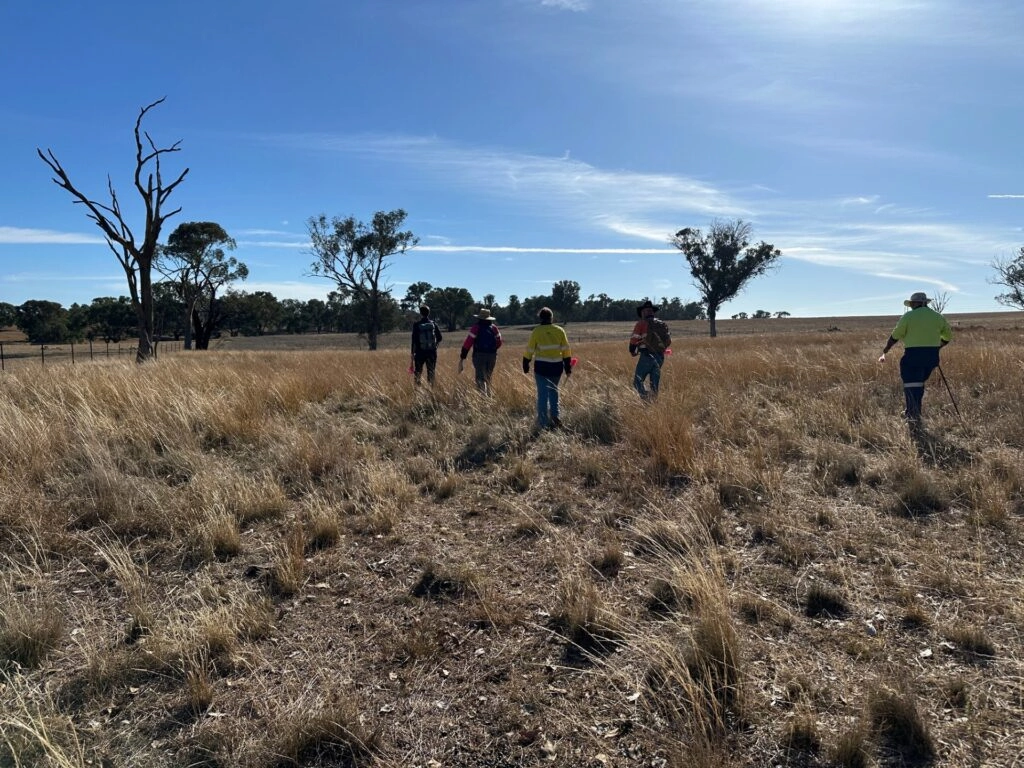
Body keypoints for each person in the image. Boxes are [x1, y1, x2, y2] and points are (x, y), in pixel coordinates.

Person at [878, 291, 952, 428]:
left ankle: (913, 415)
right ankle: (912, 411)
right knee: (919, 384)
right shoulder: (938, 317)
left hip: (913, 356)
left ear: (916, 303)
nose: (912, 306)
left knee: (911, 385)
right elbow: (948, 336)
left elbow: (895, 335)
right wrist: (937, 347)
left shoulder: (908, 316)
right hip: (931, 357)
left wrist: (886, 350)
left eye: (912, 303)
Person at [522, 307, 573, 429]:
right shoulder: (560, 330)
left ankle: (543, 422)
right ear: (551, 318)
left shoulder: (536, 331)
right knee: (554, 393)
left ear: (540, 318)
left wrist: (526, 363)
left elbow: (530, 349)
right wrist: (568, 367)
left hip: (541, 368)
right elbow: (566, 350)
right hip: (556, 368)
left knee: (542, 395)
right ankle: (555, 418)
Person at [629, 299, 671, 401]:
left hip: (646, 356)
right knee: (654, 384)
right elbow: (668, 341)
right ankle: (654, 402)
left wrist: (632, 350)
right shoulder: (662, 324)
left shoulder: (641, 324)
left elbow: (634, 340)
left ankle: (646, 399)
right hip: (660, 356)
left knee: (637, 382)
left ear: (643, 312)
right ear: (652, 312)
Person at [459, 308, 502, 394]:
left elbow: (468, 343)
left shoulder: (476, 327)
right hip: (492, 356)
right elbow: (499, 341)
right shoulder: (494, 328)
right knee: (488, 377)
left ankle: (483, 398)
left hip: (479, 355)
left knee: (480, 378)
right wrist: (492, 349)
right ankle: (489, 395)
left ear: (479, 318)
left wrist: (462, 358)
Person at [411, 304, 443, 386]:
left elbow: (414, 340)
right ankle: (431, 390)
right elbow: (439, 338)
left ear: (421, 313)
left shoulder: (416, 325)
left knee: (418, 372)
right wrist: (435, 347)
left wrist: (412, 353)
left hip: (419, 352)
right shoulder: (433, 324)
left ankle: (417, 390)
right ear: (428, 313)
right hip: (431, 352)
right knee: (431, 372)